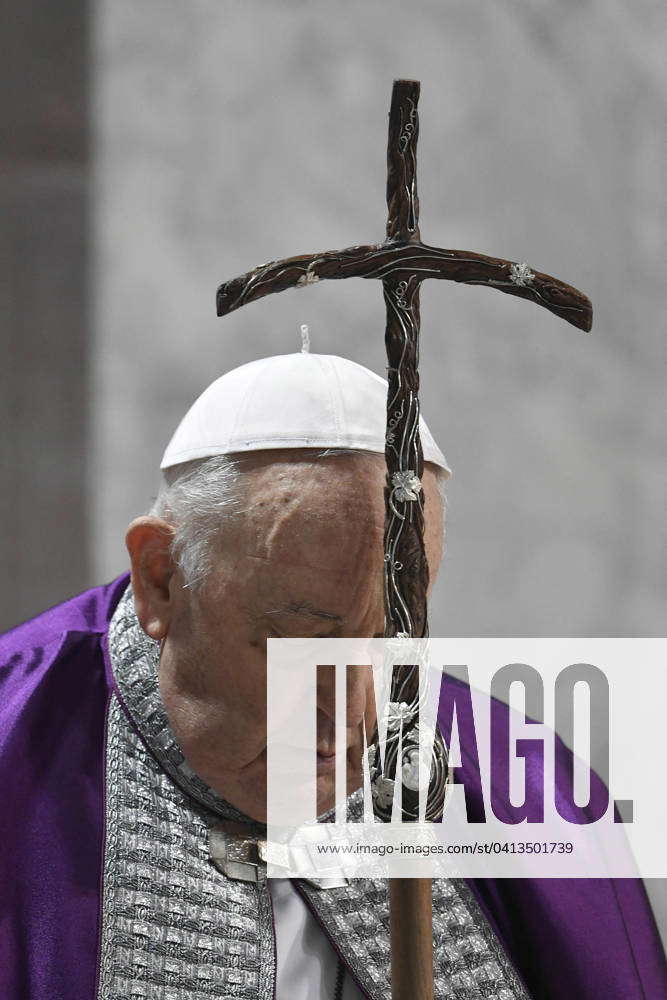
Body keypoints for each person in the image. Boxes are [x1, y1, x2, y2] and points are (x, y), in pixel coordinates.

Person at [1, 352, 664, 1000]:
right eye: (297, 641)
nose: (350, 714)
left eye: (388, 642)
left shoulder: (522, 777)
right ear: (161, 579)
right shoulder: (17, 733)